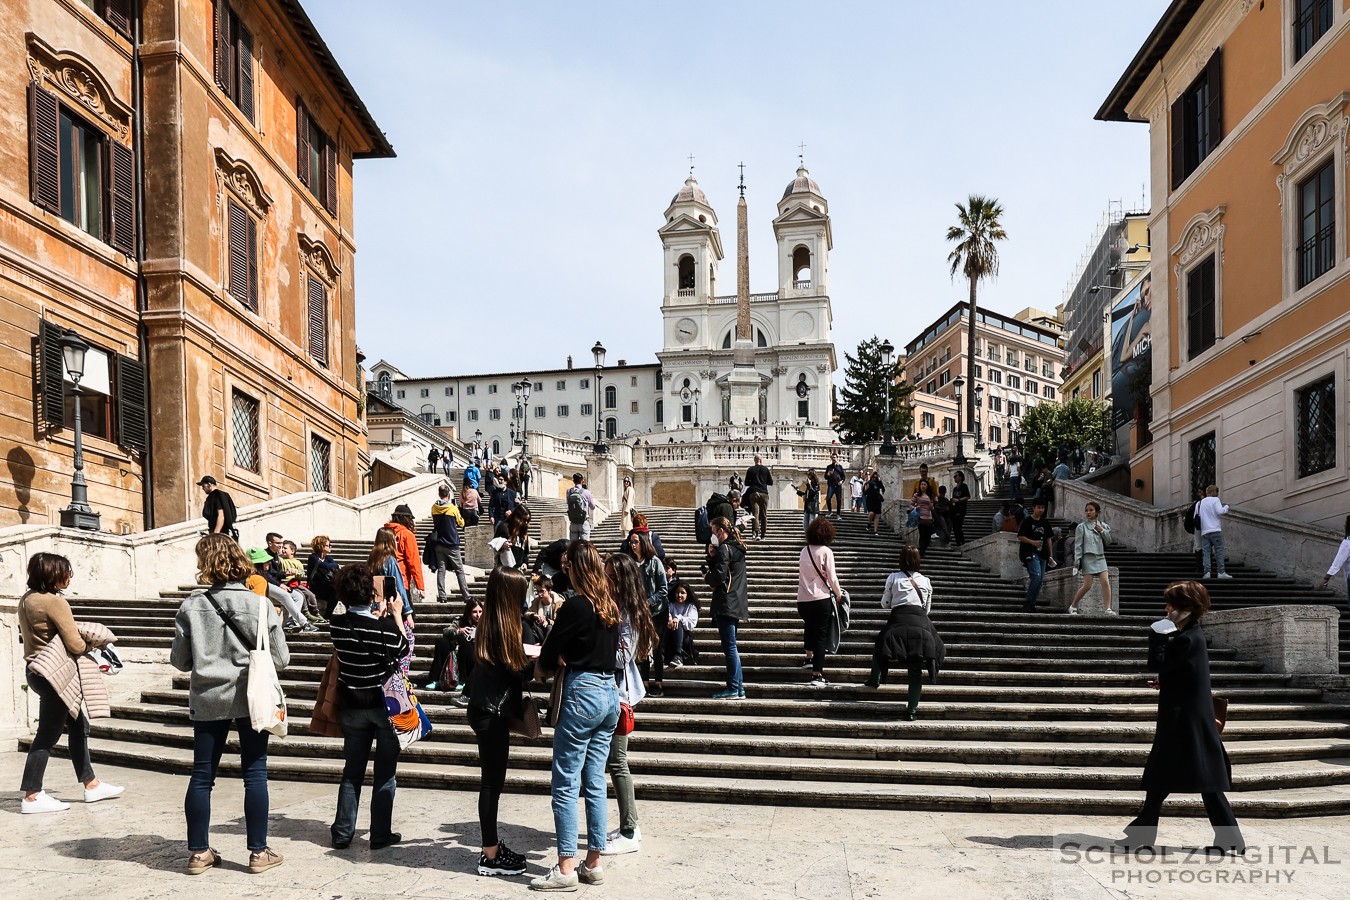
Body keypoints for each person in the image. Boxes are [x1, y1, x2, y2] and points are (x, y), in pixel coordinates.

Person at [171, 534, 289, 874]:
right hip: (251, 697)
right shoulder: (261, 604)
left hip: (208, 698)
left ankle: (198, 853)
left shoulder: (191, 606)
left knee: (202, 774)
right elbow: (281, 659)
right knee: (255, 774)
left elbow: (179, 661)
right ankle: (258, 852)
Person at [1122, 581, 1244, 852]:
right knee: (1165, 778)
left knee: (1197, 781)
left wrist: (1156, 636)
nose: (1167, 610)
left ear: (1188, 608)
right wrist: (1166, 681)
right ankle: (1143, 833)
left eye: (1172, 605)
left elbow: (1157, 662)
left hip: (1184, 720)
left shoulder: (1187, 638)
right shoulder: (1192, 636)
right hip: (1187, 717)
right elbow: (1184, 672)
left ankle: (1229, 838)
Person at [531, 542, 621, 891]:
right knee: (595, 781)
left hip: (582, 693)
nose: (564, 570)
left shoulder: (575, 606)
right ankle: (593, 863)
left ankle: (566, 868)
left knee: (566, 782)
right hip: (609, 695)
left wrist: (551, 660)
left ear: (576, 569)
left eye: (568, 566)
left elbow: (550, 652)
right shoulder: (609, 606)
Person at [18, 552, 124, 814]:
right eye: (66, 571)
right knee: (47, 735)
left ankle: (92, 784)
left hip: (36, 670)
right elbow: (75, 643)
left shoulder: (27, 600)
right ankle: (32, 795)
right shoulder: (55, 603)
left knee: (78, 726)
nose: (70, 576)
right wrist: (93, 641)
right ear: (53, 574)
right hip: (55, 674)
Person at [328, 564, 409, 850]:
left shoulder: (336, 626)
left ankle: (342, 832)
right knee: (385, 771)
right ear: (370, 594)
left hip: (352, 705)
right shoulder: (382, 628)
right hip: (383, 705)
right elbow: (403, 648)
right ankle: (379, 834)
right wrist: (396, 615)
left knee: (352, 770)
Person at [464, 568, 532, 878]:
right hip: (491, 713)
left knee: (492, 783)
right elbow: (519, 672)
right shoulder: (504, 629)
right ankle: (490, 856)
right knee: (492, 783)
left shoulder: (490, 623)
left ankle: (491, 849)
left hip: (484, 710)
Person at [601, 553, 658, 856]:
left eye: (610, 575)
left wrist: (602, 633)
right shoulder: (619, 608)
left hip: (619, 694)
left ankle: (629, 830)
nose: (606, 579)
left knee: (618, 762)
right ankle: (630, 824)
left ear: (622, 580)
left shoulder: (626, 613)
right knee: (615, 762)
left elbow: (623, 656)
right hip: (613, 692)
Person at [864, 545, 943, 721]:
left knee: (880, 644)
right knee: (915, 669)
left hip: (898, 621)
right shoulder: (926, 581)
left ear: (901, 559)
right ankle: (911, 710)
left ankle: (875, 679)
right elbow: (927, 609)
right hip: (920, 624)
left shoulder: (893, 577)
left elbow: (885, 603)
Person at [797, 517, 844, 687]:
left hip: (802, 600)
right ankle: (817, 674)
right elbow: (832, 577)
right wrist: (839, 595)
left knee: (809, 626)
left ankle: (808, 658)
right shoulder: (826, 552)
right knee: (821, 635)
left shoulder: (804, 551)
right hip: (820, 599)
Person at [706, 516, 748, 700]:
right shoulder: (736, 548)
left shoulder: (724, 548)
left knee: (729, 647)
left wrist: (707, 576)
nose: (712, 536)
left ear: (721, 531)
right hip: (736, 601)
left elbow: (719, 577)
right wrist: (713, 557)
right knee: (732, 646)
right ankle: (738, 688)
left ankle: (732, 687)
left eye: (713, 531)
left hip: (726, 601)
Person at [629, 530, 669, 697]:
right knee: (642, 647)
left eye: (635, 542)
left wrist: (648, 601)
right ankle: (644, 682)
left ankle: (658, 683)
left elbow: (663, 590)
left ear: (643, 543)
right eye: (631, 542)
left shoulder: (655, 562)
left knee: (657, 649)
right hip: (640, 612)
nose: (632, 545)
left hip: (658, 611)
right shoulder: (631, 563)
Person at [426, 600, 482, 693]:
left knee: (465, 643)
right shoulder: (460, 621)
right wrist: (459, 631)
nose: (478, 615)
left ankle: (463, 680)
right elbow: (446, 631)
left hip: (475, 655)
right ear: (469, 612)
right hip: (458, 653)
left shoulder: (485, 623)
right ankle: (435, 679)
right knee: (442, 642)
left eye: (480, 612)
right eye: (474, 612)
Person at [1069, 502, 1115, 615]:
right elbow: (1078, 545)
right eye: (1087, 510)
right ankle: (1073, 606)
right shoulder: (1081, 527)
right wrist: (1077, 560)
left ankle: (1108, 608)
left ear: (1097, 512)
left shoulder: (1104, 526)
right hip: (1088, 558)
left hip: (1100, 557)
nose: (1088, 512)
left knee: (1105, 582)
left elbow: (1109, 541)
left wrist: (1102, 531)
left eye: (1091, 510)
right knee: (1087, 585)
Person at [431, 484, 471, 602]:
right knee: (459, 570)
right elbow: (461, 523)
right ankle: (466, 596)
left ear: (439, 494)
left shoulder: (434, 508)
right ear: (448, 495)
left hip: (439, 543)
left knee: (441, 570)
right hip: (452, 543)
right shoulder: (452, 508)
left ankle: (442, 596)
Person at [1018, 500, 1054, 613]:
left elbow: (1049, 539)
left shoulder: (1045, 522)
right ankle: (1028, 602)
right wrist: (1032, 542)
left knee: (1040, 580)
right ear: (1033, 508)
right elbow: (1020, 536)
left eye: (1043, 508)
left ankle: (1032, 603)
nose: (1041, 510)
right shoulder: (1027, 521)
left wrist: (1051, 555)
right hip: (1030, 552)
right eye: (1039, 507)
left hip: (1043, 553)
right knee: (1036, 576)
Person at [385, 504, 426, 604]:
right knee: (407, 616)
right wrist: (420, 586)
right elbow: (413, 562)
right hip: (401, 581)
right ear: (404, 518)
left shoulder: (384, 532)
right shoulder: (407, 534)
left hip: (384, 580)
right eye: (410, 518)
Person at [278, 540, 323, 623]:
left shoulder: (298, 562)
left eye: (285, 548)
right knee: (300, 594)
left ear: (292, 550)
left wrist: (296, 573)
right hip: (286, 583)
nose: (283, 550)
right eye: (282, 548)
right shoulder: (281, 561)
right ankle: (306, 612)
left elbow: (302, 574)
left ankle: (315, 612)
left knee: (310, 594)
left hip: (295, 583)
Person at [1197, 485, 1232, 579]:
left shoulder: (1202, 502)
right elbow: (1220, 511)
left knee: (1206, 552)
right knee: (1219, 551)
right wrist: (1227, 507)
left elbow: (1199, 515)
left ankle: (1207, 572)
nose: (1218, 493)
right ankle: (1221, 572)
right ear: (1213, 492)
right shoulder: (1215, 500)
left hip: (1205, 531)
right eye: (1217, 491)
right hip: (1215, 529)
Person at [664, 579, 699, 667]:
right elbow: (666, 613)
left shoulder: (691, 607)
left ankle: (678, 656)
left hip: (685, 638)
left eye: (682, 593)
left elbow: (691, 624)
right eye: (677, 593)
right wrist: (669, 619)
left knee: (678, 624)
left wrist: (678, 618)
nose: (679, 595)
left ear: (687, 594)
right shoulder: (671, 604)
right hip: (670, 635)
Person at [306, 536, 341, 619]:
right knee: (334, 588)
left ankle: (328, 616)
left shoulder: (329, 558)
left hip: (327, 586)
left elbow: (332, 567)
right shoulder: (313, 557)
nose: (330, 547)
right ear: (321, 546)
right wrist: (337, 565)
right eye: (328, 545)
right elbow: (323, 565)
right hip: (315, 587)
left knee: (338, 591)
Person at [1317, 515, 1350, 596]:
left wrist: (1326, 578)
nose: (1344, 525)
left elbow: (1337, 562)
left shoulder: (1347, 543)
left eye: (1346, 523)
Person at [743, 454, 773, 541]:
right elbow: (770, 482)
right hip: (764, 493)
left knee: (755, 514)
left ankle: (755, 532)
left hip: (754, 493)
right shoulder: (765, 469)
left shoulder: (750, 469)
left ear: (754, 460)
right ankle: (763, 534)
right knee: (764, 515)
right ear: (761, 460)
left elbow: (746, 483)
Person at [522, 574, 557, 645]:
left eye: (542, 591)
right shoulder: (536, 601)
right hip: (539, 630)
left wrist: (548, 621)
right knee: (526, 623)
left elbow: (561, 622)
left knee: (549, 628)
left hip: (554, 633)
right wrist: (534, 616)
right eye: (538, 591)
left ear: (549, 590)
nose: (539, 594)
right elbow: (526, 613)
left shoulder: (558, 603)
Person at [566, 473, 596, 542]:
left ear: (573, 481)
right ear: (582, 481)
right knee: (585, 545)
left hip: (573, 522)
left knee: (573, 546)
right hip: (583, 522)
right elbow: (593, 507)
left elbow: (568, 503)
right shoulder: (586, 492)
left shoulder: (569, 491)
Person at [911, 480, 936, 554]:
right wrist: (915, 507)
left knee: (928, 538)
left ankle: (922, 550)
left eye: (924, 484)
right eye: (921, 484)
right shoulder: (917, 495)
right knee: (922, 536)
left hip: (929, 518)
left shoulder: (929, 495)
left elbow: (932, 507)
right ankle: (921, 552)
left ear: (927, 486)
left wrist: (931, 504)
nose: (923, 486)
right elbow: (910, 505)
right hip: (920, 518)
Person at [950, 471, 970, 545]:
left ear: (961, 477)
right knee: (955, 527)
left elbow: (968, 496)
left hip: (961, 509)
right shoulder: (955, 489)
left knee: (958, 526)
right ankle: (958, 542)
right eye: (954, 476)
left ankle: (962, 542)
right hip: (955, 510)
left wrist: (958, 500)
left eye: (956, 476)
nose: (954, 478)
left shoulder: (964, 486)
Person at [864, 470, 886, 535]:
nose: (875, 477)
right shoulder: (869, 483)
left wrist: (880, 481)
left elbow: (883, 489)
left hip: (877, 500)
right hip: (870, 500)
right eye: (874, 476)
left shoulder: (879, 483)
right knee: (871, 513)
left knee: (877, 515)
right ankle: (869, 523)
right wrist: (866, 489)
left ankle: (875, 531)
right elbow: (865, 492)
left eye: (877, 476)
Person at [824, 454, 845, 518]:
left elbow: (843, 477)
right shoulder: (829, 467)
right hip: (831, 485)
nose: (834, 459)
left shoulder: (840, 467)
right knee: (828, 498)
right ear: (831, 458)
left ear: (837, 458)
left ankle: (838, 514)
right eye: (832, 457)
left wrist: (841, 481)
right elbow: (825, 477)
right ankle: (830, 511)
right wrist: (828, 474)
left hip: (838, 485)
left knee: (839, 500)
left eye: (835, 457)